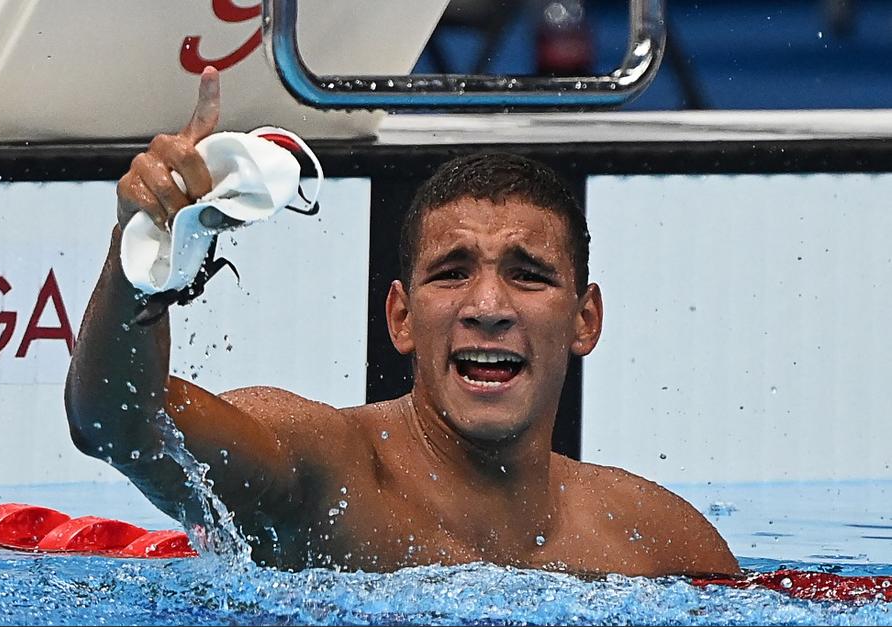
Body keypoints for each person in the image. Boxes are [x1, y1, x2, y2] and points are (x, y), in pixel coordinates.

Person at [65, 67, 740, 578]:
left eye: (527, 274)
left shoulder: (658, 543)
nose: (488, 306)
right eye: (451, 272)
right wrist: (144, 251)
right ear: (401, 317)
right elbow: (119, 423)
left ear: (584, 321)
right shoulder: (323, 476)